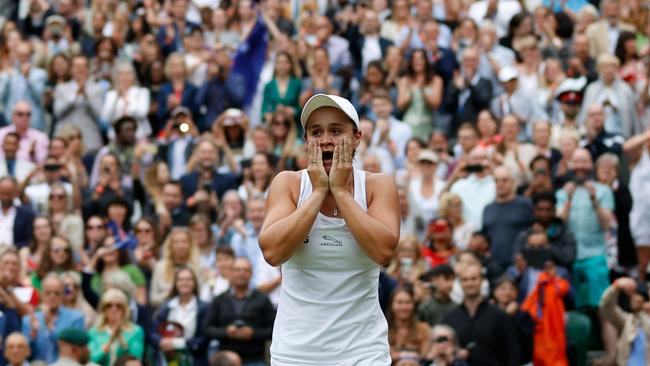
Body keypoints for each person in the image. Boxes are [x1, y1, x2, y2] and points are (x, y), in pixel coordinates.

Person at [259, 94, 400, 365]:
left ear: (356, 137)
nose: (325, 140)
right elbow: (272, 252)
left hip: (363, 350)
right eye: (316, 132)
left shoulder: (377, 185)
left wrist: (340, 192)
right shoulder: (287, 183)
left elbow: (383, 252)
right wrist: (318, 192)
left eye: (336, 131)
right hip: (296, 352)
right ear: (306, 141)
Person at [556, 148, 614, 309]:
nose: (580, 166)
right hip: (570, 258)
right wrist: (568, 198)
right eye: (577, 162)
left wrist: (594, 199)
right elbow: (558, 223)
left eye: (584, 161)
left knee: (604, 307)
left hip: (595, 256)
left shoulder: (603, 191)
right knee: (573, 307)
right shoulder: (562, 193)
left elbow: (606, 224)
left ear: (591, 165)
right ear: (570, 164)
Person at [442, 263, 520, 366]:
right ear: (460, 283)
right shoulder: (450, 318)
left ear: (482, 281)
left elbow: (512, 352)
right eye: (465, 280)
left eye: (474, 279)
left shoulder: (499, 316)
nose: (469, 283)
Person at [204, 258, 275, 366]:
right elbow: (207, 329)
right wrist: (226, 332)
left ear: (251, 274)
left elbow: (273, 330)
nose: (242, 273)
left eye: (245, 270)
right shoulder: (219, 300)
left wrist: (253, 334)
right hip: (226, 360)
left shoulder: (262, 299)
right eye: (238, 270)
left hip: (254, 359)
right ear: (231, 273)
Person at [151, 267, 209, 366]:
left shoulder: (204, 308)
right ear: (175, 283)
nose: (184, 283)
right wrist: (161, 341)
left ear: (194, 283)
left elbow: (205, 337)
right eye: (181, 279)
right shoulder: (166, 306)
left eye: (188, 279)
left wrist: (178, 344)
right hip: (166, 357)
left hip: (193, 358)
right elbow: (153, 332)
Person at [22, 273, 85, 364]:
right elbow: (23, 353)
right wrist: (33, 333)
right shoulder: (28, 320)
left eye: (56, 293)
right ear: (41, 294)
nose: (52, 297)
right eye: (48, 293)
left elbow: (75, 350)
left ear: (63, 295)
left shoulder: (76, 318)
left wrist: (51, 329)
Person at [481, 165, 533, 270]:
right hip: (494, 267)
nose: (500, 184)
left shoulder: (525, 204)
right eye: (496, 181)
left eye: (504, 180)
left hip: (521, 266)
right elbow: (485, 237)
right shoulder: (488, 208)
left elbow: (534, 231)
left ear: (513, 182)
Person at [599, 277, 650, 366]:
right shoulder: (628, 321)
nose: (632, 298)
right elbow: (606, 307)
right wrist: (616, 287)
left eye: (637, 294)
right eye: (631, 295)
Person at [87, 288, 145, 365]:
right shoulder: (94, 332)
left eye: (119, 306)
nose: (114, 309)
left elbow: (135, 358)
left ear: (124, 309)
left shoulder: (135, 331)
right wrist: (107, 345)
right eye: (109, 305)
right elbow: (91, 359)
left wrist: (121, 340)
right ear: (103, 309)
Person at [624, 130, 650, 281]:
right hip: (641, 219)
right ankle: (642, 295)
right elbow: (626, 147)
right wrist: (647, 134)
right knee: (643, 263)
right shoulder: (639, 158)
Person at [387, 287, 431, 361]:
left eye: (408, 303)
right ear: (391, 305)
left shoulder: (424, 329)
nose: (404, 307)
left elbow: (425, 356)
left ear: (413, 305)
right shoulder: (384, 330)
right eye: (400, 303)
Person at [0, 176, 34, 248]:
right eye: (2, 193)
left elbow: (28, 239)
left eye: (8, 194)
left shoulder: (26, 213)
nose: (5, 198)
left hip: (15, 254)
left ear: (16, 193)